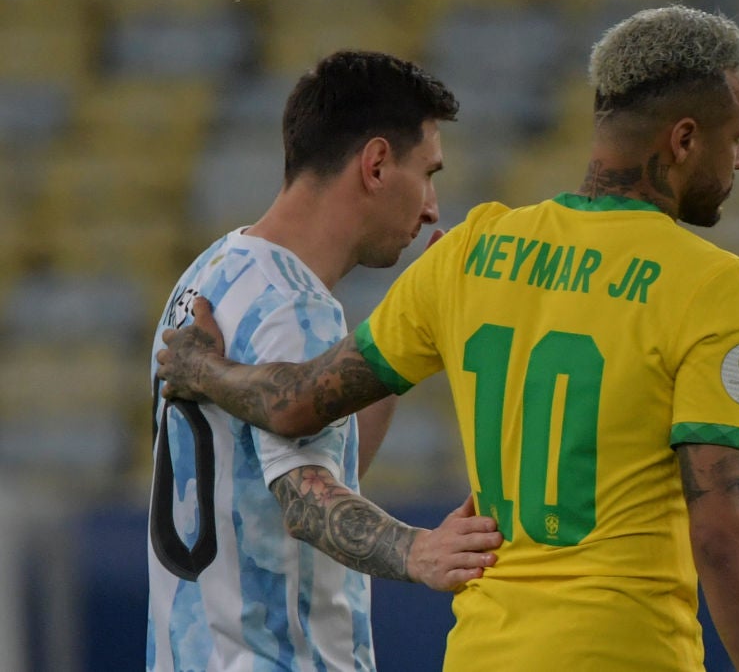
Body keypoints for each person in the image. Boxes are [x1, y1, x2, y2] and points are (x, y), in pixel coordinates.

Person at [157, 5, 739, 672]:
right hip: (625, 649)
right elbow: (721, 534)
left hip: (482, 651)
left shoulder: (469, 252)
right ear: (684, 140)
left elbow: (294, 401)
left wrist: (206, 369)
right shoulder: (709, 282)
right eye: (737, 136)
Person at [146, 50, 503, 672]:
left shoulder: (215, 272)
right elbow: (305, 503)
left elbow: (323, 461)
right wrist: (418, 550)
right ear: (376, 164)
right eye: (428, 174)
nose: (432, 209)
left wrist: (407, 333)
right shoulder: (294, 308)